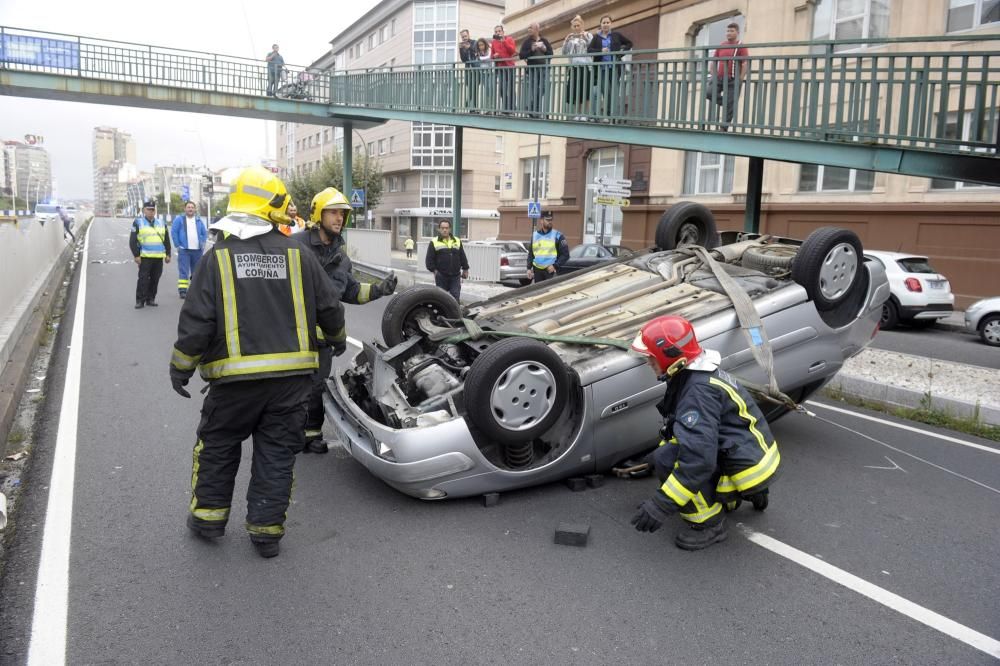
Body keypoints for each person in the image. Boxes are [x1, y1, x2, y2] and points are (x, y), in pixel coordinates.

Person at [169, 167, 347, 559]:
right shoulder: (299, 254)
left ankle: (208, 520)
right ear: (273, 207)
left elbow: (197, 321)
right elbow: (329, 307)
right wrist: (334, 341)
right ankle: (266, 533)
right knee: (276, 454)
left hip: (233, 385)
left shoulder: (216, 258)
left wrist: (181, 368)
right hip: (290, 383)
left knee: (217, 446)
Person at [628, 315, 780, 551]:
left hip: (745, 467)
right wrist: (648, 460)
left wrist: (662, 503)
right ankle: (750, 493)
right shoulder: (699, 373)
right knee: (665, 455)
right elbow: (690, 431)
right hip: (756, 456)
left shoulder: (696, 392)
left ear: (669, 355)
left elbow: (698, 459)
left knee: (668, 461)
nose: (648, 362)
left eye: (651, 357)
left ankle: (709, 523)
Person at [295, 187, 398, 453]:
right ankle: (284, 435)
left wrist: (379, 290)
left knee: (317, 386)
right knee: (290, 388)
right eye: (333, 212)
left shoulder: (341, 258)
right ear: (319, 213)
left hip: (323, 338)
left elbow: (351, 291)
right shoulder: (295, 247)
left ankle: (311, 435)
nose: (339, 218)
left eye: (342, 213)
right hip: (291, 335)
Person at [587, 15, 632, 119]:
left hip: (614, 68)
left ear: (611, 24)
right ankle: (608, 114)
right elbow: (589, 50)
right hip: (601, 69)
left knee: (613, 91)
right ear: (601, 24)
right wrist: (600, 51)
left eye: (607, 22)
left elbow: (629, 43)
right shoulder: (596, 37)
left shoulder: (616, 35)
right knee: (605, 90)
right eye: (603, 23)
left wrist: (622, 50)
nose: (605, 24)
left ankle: (610, 114)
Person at [129, 199, 171, 309]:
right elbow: (132, 241)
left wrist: (168, 254)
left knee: (155, 279)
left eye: (153, 210)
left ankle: (151, 299)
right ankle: (140, 300)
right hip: (145, 257)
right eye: (149, 209)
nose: (151, 211)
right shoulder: (138, 222)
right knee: (143, 279)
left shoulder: (161, 223)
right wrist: (136, 255)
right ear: (144, 210)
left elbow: (166, 240)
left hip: (158, 257)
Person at [709, 22, 749, 131]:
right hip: (720, 78)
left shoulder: (740, 46)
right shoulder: (722, 45)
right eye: (727, 31)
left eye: (732, 31)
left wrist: (740, 79)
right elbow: (713, 62)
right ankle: (725, 103)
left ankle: (724, 127)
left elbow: (745, 63)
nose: (729, 33)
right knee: (709, 92)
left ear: (737, 32)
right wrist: (713, 76)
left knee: (731, 103)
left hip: (733, 79)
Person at [170, 200, 208, 299]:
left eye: (192, 207)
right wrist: (177, 245)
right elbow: (174, 232)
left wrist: (203, 244)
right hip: (184, 250)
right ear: (185, 209)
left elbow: (204, 233)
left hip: (197, 251)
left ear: (195, 209)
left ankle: (195, 290)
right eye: (188, 207)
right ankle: (183, 291)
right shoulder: (179, 219)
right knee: (184, 271)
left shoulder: (199, 220)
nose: (190, 209)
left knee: (197, 272)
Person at [425, 219, 469, 301]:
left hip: (455, 276)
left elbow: (462, 256)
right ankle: (442, 313)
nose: (444, 230)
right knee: (441, 299)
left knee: (455, 297)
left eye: (446, 228)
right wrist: (434, 271)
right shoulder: (434, 242)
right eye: (442, 228)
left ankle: (455, 313)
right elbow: (429, 259)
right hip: (441, 275)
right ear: (439, 229)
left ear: (450, 229)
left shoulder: (457, 241)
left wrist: (465, 269)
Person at [562, 15, 594, 121]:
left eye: (578, 25)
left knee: (585, 90)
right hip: (574, 67)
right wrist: (566, 41)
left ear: (582, 25)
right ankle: (578, 113)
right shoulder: (571, 39)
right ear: (572, 27)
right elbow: (564, 52)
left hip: (585, 67)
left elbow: (593, 47)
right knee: (576, 90)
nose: (576, 27)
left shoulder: (587, 35)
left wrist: (585, 38)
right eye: (574, 26)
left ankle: (585, 114)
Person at [519, 22, 554, 118]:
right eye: (528, 28)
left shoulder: (544, 40)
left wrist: (544, 49)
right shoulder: (527, 42)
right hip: (532, 70)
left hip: (544, 69)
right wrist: (531, 50)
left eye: (531, 28)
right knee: (534, 90)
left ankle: (531, 107)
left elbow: (551, 54)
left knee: (542, 88)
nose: (529, 30)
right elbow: (521, 55)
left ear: (537, 29)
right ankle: (536, 112)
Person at [526, 210, 569, 282]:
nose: (550, 222)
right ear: (541, 220)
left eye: (551, 220)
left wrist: (555, 266)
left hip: (550, 271)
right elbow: (531, 254)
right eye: (547, 220)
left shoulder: (558, 235)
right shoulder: (535, 235)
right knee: (538, 292)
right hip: (537, 271)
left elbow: (565, 255)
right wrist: (528, 268)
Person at [491, 25, 517, 114]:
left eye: (499, 31)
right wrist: (494, 56)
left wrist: (504, 41)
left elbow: (512, 51)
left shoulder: (509, 39)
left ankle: (512, 108)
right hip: (500, 68)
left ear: (503, 32)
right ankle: (505, 107)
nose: (498, 33)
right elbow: (491, 56)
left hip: (509, 67)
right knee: (502, 88)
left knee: (510, 88)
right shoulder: (494, 42)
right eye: (496, 32)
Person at [458, 29, 479, 109]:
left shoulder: (474, 42)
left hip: (476, 70)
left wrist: (469, 47)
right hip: (468, 70)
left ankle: (472, 106)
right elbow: (463, 60)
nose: (464, 38)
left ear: (468, 35)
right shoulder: (462, 46)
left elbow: (477, 52)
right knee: (470, 88)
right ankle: (472, 106)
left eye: (465, 36)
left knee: (474, 88)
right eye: (462, 37)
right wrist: (460, 49)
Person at [475, 38, 494, 111]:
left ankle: (491, 107)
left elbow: (489, 58)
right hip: (482, 73)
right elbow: (477, 63)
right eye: (479, 45)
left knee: (490, 89)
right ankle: (487, 108)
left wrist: (480, 57)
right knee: (486, 90)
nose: (481, 47)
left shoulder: (489, 50)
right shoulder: (478, 53)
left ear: (485, 44)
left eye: (482, 45)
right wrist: (478, 57)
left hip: (490, 72)